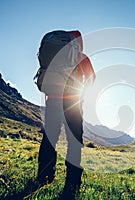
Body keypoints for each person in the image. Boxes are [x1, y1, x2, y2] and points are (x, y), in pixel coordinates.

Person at [36, 30, 95, 199]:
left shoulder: (54, 52)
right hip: (73, 102)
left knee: (49, 139)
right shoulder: (82, 57)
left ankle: (44, 177)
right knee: (74, 142)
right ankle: (72, 184)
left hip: (53, 100)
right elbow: (91, 79)